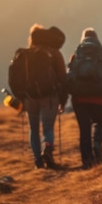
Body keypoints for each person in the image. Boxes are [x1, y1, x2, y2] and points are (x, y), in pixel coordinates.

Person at [67, 28, 102, 169]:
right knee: (99, 123)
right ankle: (97, 143)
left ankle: (87, 162)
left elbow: (69, 78)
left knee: (84, 130)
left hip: (79, 99)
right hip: (99, 98)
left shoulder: (75, 57)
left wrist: (64, 98)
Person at [24, 24, 68, 169]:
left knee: (33, 129)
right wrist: (63, 100)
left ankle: (38, 161)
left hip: (30, 98)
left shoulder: (26, 54)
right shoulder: (54, 52)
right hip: (50, 97)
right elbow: (63, 78)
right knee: (48, 128)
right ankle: (47, 148)